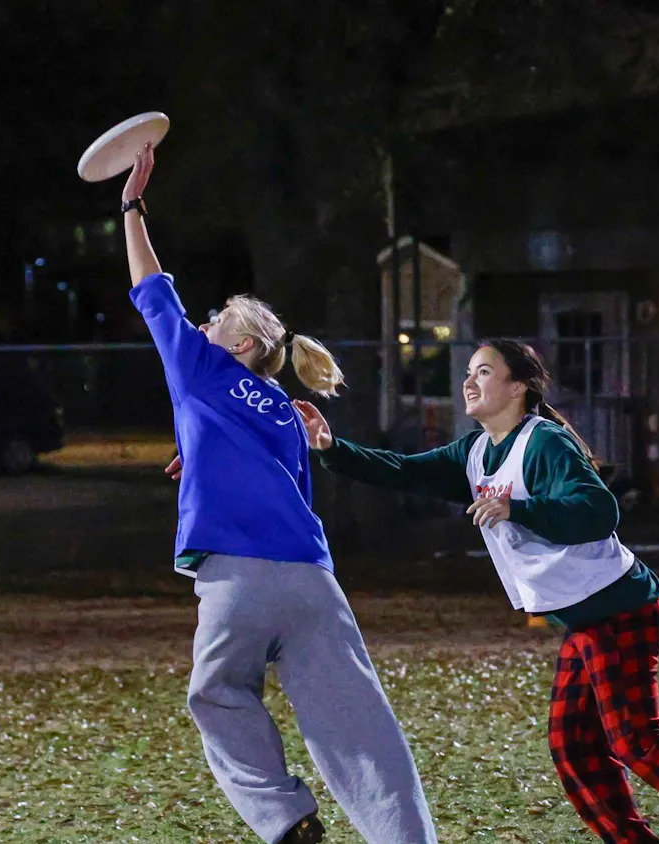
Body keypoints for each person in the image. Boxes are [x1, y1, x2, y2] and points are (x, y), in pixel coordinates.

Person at [294, 338, 659, 844]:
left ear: (517, 386)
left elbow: (599, 512)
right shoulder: (475, 451)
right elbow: (405, 470)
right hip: (585, 620)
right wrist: (331, 447)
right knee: (573, 744)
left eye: (485, 372)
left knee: (637, 740)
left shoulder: (544, 444)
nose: (469, 381)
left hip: (620, 610)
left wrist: (519, 508)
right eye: (469, 371)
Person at [120, 143, 437, 844]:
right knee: (358, 721)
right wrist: (198, 461)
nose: (198, 328)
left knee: (219, 694)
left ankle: (286, 819)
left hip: (239, 575)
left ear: (233, 346)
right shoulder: (283, 408)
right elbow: (266, 472)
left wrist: (131, 207)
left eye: (212, 324)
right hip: (313, 578)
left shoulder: (200, 366)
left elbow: (151, 288)